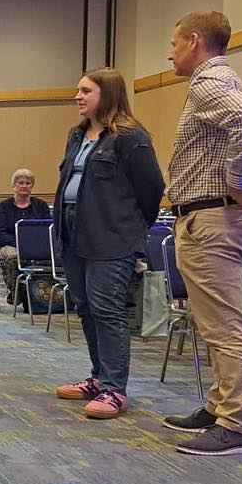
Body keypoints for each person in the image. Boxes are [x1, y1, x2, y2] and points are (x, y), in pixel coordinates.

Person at [160, 11, 242, 455]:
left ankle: (235, 425)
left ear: (193, 41)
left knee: (225, 328)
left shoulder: (208, 81)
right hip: (215, 218)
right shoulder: (224, 79)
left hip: (213, 220)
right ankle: (220, 406)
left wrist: (239, 184)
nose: (169, 54)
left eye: (173, 44)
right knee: (220, 323)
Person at [50, 70, 164, 419]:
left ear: (108, 94)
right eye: (78, 89)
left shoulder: (130, 137)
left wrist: (131, 231)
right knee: (85, 306)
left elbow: (152, 189)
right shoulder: (77, 134)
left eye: (86, 90)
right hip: (73, 233)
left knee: (106, 309)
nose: (78, 96)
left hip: (112, 237)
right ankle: (99, 377)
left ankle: (114, 389)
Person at [0, 169, 52, 298]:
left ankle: (40, 295)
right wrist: (21, 244)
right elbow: (0, 232)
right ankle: (18, 293)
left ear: (32, 186)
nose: (24, 186)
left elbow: (48, 228)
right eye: (20, 183)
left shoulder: (41, 205)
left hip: (37, 246)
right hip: (9, 245)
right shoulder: (4, 206)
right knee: (13, 258)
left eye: (28, 183)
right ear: (14, 185)